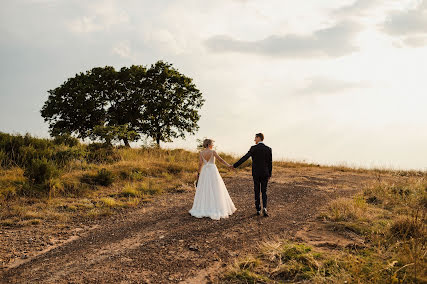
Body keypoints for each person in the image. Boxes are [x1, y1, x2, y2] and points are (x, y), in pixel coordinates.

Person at [189, 139, 237, 220]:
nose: (213, 145)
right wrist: (228, 165)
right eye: (212, 144)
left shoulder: (201, 153)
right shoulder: (213, 152)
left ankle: (204, 207)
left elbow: (200, 164)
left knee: (205, 188)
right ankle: (216, 207)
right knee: (216, 188)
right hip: (212, 170)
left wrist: (198, 174)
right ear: (209, 144)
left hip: (204, 171)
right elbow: (220, 160)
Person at [233, 133, 272, 217]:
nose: (254, 140)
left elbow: (245, 157)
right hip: (265, 173)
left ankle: (258, 209)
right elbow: (270, 163)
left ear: (259, 138)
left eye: (255, 138)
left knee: (257, 191)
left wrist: (235, 165)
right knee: (264, 191)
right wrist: (270, 174)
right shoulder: (268, 149)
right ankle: (264, 207)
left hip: (256, 173)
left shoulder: (253, 148)